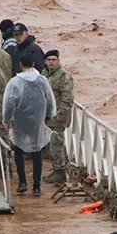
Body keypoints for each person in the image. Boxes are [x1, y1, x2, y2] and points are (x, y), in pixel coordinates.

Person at [3, 53, 56, 196]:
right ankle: (37, 186)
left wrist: (6, 120)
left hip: (19, 119)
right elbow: (49, 100)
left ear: (20, 65)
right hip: (37, 119)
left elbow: (8, 103)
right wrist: (48, 116)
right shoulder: (42, 81)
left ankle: (22, 182)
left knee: (18, 148)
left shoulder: (14, 82)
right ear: (34, 64)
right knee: (37, 150)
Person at [43, 49, 75, 185]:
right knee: (52, 144)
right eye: (49, 60)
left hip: (58, 116)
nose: (51, 62)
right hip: (47, 115)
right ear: (45, 61)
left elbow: (67, 97)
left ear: (58, 60)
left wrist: (61, 113)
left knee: (57, 144)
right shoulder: (44, 74)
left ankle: (60, 171)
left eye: (53, 59)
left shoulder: (64, 77)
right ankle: (58, 168)